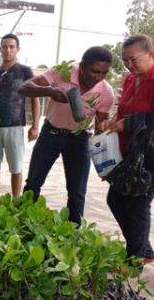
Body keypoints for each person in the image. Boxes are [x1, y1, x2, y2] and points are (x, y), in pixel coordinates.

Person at [101, 34, 154, 263]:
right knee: (116, 200)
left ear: (151, 54)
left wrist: (129, 123)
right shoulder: (130, 80)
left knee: (138, 202)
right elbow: (125, 113)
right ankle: (142, 250)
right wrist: (113, 123)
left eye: (133, 59)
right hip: (133, 153)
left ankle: (135, 259)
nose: (129, 65)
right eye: (125, 60)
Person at [19, 46, 115, 225]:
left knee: (77, 192)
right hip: (51, 134)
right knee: (33, 183)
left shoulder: (106, 91)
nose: (98, 77)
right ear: (82, 66)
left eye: (104, 73)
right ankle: (23, 224)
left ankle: (73, 235)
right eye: (94, 71)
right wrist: (49, 91)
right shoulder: (62, 72)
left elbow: (101, 129)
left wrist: (105, 163)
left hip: (80, 139)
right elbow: (24, 88)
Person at [0, 33, 40, 197]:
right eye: (5, 47)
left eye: (11, 47)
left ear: (17, 49)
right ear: (0, 49)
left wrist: (35, 126)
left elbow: (35, 100)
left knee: (16, 167)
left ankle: (16, 201)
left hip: (15, 127)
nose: (8, 50)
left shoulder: (25, 72)